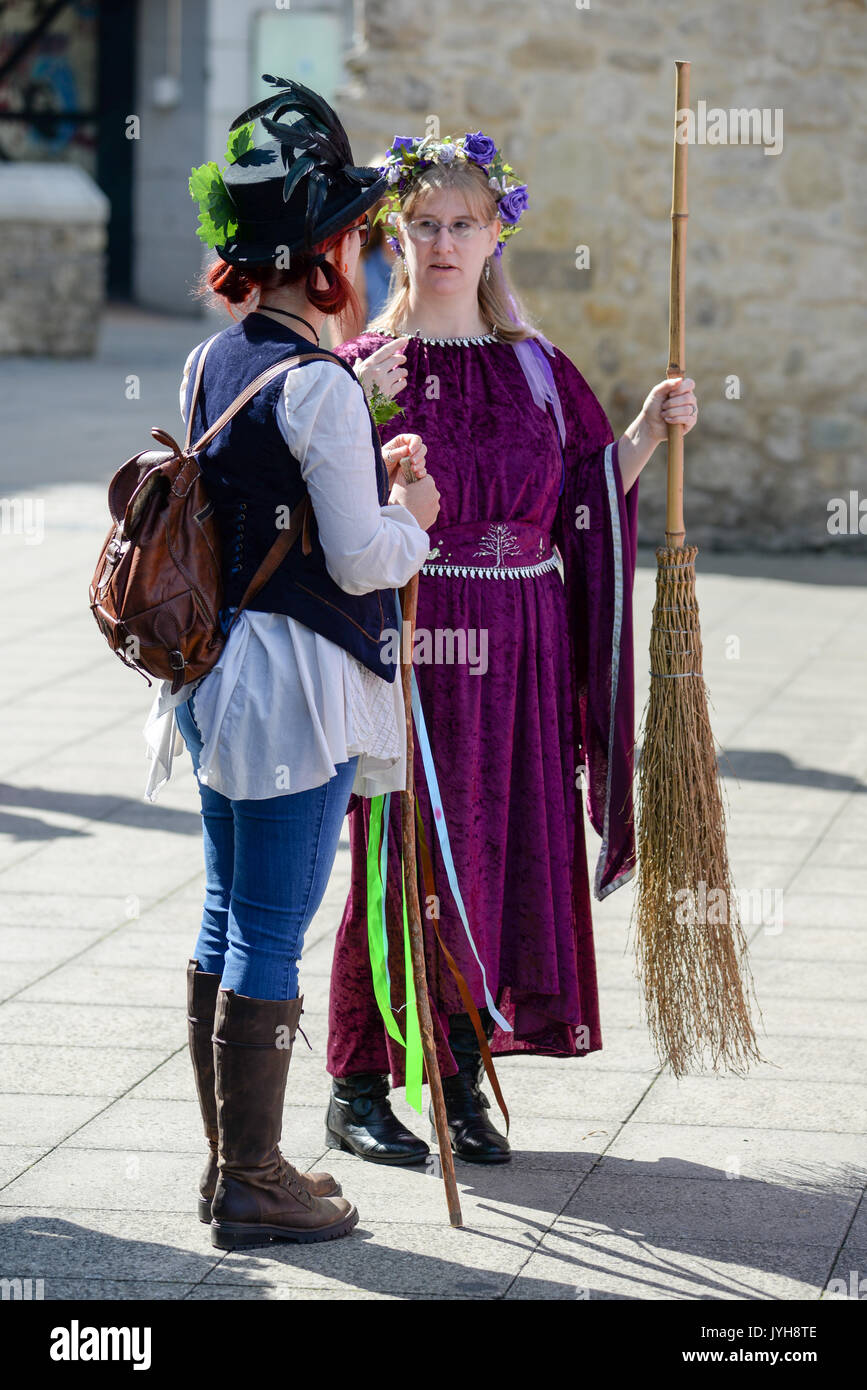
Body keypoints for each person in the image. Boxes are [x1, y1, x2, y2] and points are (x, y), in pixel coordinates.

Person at [323, 131, 698, 1165]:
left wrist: (646, 432)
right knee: (401, 861)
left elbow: (583, 497)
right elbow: (325, 517)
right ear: (397, 238)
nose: (443, 242)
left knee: (496, 853)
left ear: (497, 238)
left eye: (463, 224)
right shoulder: (366, 369)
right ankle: (356, 1084)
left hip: (524, 648)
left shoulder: (538, 370)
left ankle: (456, 1066)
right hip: (416, 643)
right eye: (425, 224)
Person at [141, 78, 439, 1247]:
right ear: (322, 253)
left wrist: (358, 439)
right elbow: (367, 560)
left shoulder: (214, 361)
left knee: (224, 912)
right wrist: (411, 504)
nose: (359, 252)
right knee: (268, 924)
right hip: (296, 687)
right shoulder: (316, 386)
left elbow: (265, 489)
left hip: (218, 678)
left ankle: (233, 1167)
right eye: (353, 234)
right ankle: (256, 1177)